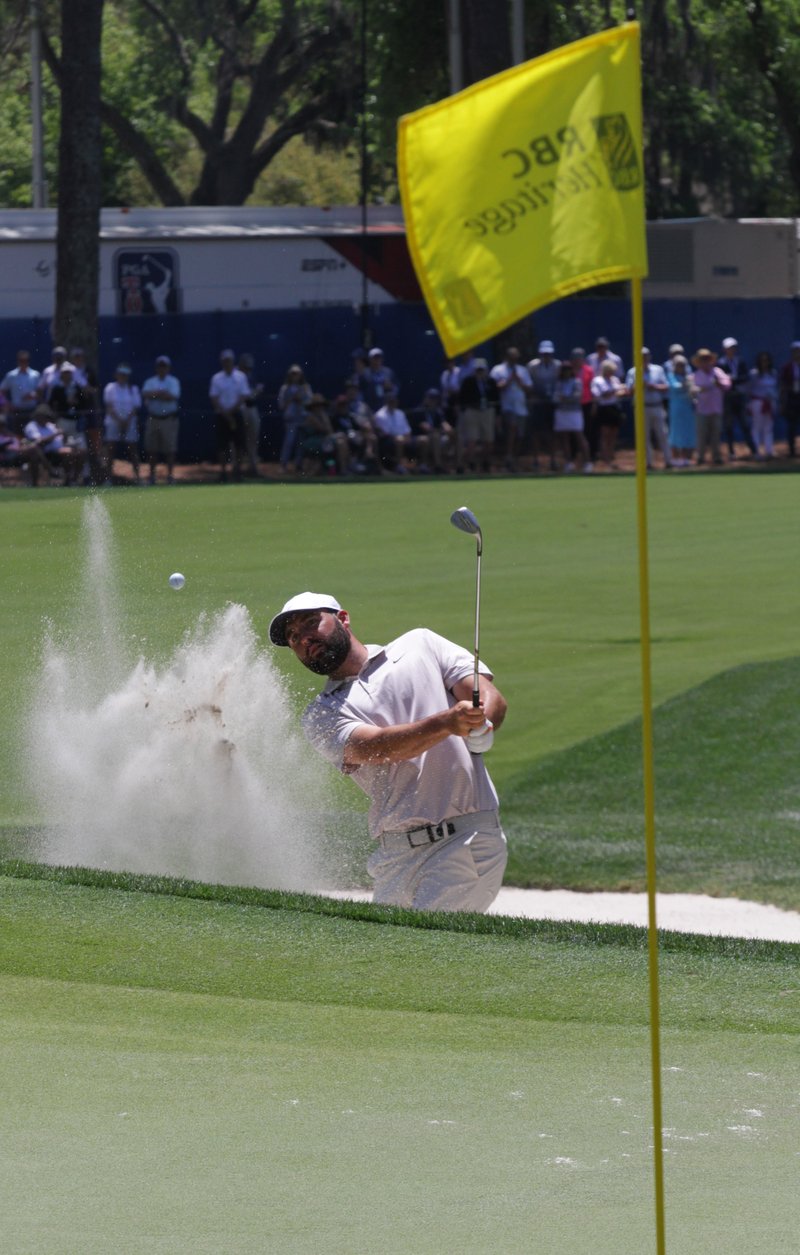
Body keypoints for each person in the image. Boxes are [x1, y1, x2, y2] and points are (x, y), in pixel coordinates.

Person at [269, 592, 508, 912]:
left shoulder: (420, 644)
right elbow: (376, 748)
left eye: (311, 623)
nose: (303, 639)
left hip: (462, 840)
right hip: (395, 856)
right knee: (390, 946)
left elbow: (489, 698)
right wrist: (447, 723)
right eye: (293, 637)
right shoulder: (321, 713)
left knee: (427, 942)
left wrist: (482, 723)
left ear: (343, 619)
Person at [625, 347, 672, 470]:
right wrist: (639, 385)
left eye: (646, 356)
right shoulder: (633, 372)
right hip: (642, 407)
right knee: (644, 436)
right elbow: (629, 391)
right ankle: (648, 463)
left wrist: (653, 386)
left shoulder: (658, 369)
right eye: (641, 356)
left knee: (662, 434)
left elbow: (666, 386)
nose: (644, 358)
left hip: (657, 405)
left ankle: (668, 461)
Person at [209, 349, 251, 482]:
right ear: (222, 362)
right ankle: (223, 472)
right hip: (222, 415)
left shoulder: (241, 376)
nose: (227, 363)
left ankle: (238, 472)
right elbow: (214, 397)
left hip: (236, 414)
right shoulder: (216, 378)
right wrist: (225, 413)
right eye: (225, 361)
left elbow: (243, 396)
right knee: (222, 445)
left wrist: (232, 411)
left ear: (233, 361)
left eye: (229, 360)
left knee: (239, 444)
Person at [142, 355, 181, 484]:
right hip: (153, 418)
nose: (162, 369)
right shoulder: (150, 381)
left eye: (164, 366)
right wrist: (161, 393)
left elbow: (173, 396)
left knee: (170, 449)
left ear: (168, 368)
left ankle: (170, 476)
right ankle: (152, 477)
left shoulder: (173, 381)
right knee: (152, 449)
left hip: (168, 419)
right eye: (160, 366)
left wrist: (155, 394)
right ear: (156, 368)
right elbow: (146, 394)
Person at [490, 346, 531, 471]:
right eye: (512, 357)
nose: (514, 360)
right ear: (507, 357)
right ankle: (508, 456)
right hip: (506, 406)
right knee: (512, 428)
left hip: (521, 407)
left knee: (520, 435)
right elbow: (493, 388)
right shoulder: (498, 370)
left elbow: (529, 388)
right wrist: (508, 381)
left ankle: (514, 459)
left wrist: (519, 381)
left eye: (516, 357)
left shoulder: (522, 370)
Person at [456, 358, 498, 474]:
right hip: (472, 411)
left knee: (488, 440)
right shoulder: (468, 381)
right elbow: (462, 398)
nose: (480, 372)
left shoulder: (490, 381)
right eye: (478, 370)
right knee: (472, 439)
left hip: (487, 411)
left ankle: (486, 463)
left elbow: (496, 398)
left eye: (482, 370)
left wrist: (498, 415)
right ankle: (471, 464)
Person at [24, 403, 82, 485]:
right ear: (37, 416)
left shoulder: (51, 426)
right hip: (43, 452)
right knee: (35, 452)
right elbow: (39, 441)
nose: (45, 418)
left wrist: (65, 438)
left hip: (57, 451)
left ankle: (71, 480)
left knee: (78, 452)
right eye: (43, 416)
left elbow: (61, 438)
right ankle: (49, 472)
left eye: (46, 416)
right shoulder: (32, 426)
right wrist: (56, 434)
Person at [103, 364, 142, 483]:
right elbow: (109, 407)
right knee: (110, 450)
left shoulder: (133, 389)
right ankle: (108, 479)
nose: (122, 377)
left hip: (130, 423)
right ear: (116, 375)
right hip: (113, 422)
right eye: (121, 374)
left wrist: (127, 421)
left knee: (133, 450)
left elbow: (135, 407)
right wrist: (120, 421)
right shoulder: (110, 388)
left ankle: (137, 478)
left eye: (125, 375)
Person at [718, 336, 755, 459]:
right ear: (724, 349)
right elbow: (721, 380)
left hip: (739, 396)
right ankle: (731, 452)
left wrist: (733, 379)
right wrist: (731, 380)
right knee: (728, 426)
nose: (732, 350)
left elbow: (745, 377)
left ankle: (754, 451)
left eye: (733, 348)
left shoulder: (741, 361)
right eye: (729, 348)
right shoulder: (721, 363)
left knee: (745, 425)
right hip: (727, 397)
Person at [691, 348, 730, 465]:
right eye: (703, 360)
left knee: (716, 435)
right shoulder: (696, 375)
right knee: (701, 435)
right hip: (702, 410)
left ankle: (716, 457)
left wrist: (719, 383)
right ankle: (700, 458)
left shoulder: (717, 372)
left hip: (716, 409)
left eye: (707, 359)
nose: (705, 362)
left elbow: (727, 385)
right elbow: (692, 390)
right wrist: (700, 389)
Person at [527, 340, 560, 470]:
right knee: (536, 432)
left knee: (552, 432)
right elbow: (529, 383)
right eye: (544, 353)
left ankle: (553, 460)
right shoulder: (532, 366)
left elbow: (559, 382)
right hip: (537, 403)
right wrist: (534, 395)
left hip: (552, 403)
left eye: (548, 354)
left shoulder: (557, 365)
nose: (546, 356)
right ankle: (536, 460)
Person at [553, 360, 590, 472]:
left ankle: (587, 462)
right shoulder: (559, 383)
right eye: (564, 370)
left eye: (568, 370)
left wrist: (564, 398)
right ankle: (568, 463)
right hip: (561, 412)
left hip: (574, 412)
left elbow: (577, 396)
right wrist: (566, 398)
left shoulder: (577, 382)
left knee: (579, 436)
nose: (566, 372)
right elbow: (555, 397)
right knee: (564, 437)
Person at [590, 360, 627, 468]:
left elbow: (621, 392)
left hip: (614, 408)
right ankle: (604, 457)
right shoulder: (598, 380)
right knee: (604, 434)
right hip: (604, 409)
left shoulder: (615, 379)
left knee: (613, 434)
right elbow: (600, 394)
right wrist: (614, 391)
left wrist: (615, 392)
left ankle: (611, 456)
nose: (611, 373)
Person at [277, 364, 313, 472]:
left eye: (297, 374)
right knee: (289, 442)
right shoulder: (285, 388)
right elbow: (281, 405)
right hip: (291, 419)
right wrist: (292, 398)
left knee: (301, 443)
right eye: (293, 374)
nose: (295, 376)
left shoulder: (306, 387)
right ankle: (283, 465)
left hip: (302, 418)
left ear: (301, 375)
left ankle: (299, 465)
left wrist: (301, 399)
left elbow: (310, 403)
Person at [665, 354, 696, 466]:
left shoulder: (689, 377)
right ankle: (676, 458)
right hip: (676, 408)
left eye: (683, 365)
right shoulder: (670, 376)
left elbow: (694, 391)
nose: (681, 367)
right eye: (679, 365)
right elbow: (675, 387)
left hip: (688, 408)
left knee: (688, 432)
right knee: (676, 433)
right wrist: (686, 384)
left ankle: (687, 458)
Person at [746, 351, 778, 460]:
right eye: (763, 360)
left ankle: (769, 451)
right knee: (757, 427)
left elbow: (775, 388)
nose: (765, 363)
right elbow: (749, 389)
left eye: (767, 360)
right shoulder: (754, 374)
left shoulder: (773, 373)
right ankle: (756, 451)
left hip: (770, 402)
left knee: (768, 427)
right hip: (758, 402)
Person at [237, 352, 265, 477]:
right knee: (237, 440)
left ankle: (252, 467)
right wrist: (256, 391)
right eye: (246, 367)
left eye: (249, 368)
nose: (248, 370)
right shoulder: (236, 376)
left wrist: (255, 392)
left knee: (253, 439)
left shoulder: (251, 376)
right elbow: (246, 395)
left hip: (251, 408)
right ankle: (237, 468)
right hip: (239, 409)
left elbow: (251, 395)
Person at [1, 349, 41, 432]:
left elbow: (40, 392)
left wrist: (34, 395)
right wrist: (7, 404)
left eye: (26, 360)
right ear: (18, 361)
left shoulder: (35, 375)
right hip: (16, 412)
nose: (23, 362)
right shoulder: (11, 375)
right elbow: (1, 391)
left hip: (32, 411)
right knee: (17, 435)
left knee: (32, 434)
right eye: (21, 360)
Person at [373, 390, 414, 473]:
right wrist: (399, 438)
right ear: (386, 402)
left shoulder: (400, 413)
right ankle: (399, 466)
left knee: (423, 440)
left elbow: (407, 430)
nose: (393, 403)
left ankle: (423, 465)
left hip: (402, 438)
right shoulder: (380, 415)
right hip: (387, 440)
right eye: (391, 401)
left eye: (394, 401)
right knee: (399, 440)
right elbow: (385, 433)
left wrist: (406, 438)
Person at [778, 341, 800, 458]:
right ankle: (792, 451)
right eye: (796, 351)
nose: (798, 353)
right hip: (792, 399)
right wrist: (782, 402)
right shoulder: (787, 367)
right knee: (792, 426)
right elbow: (783, 385)